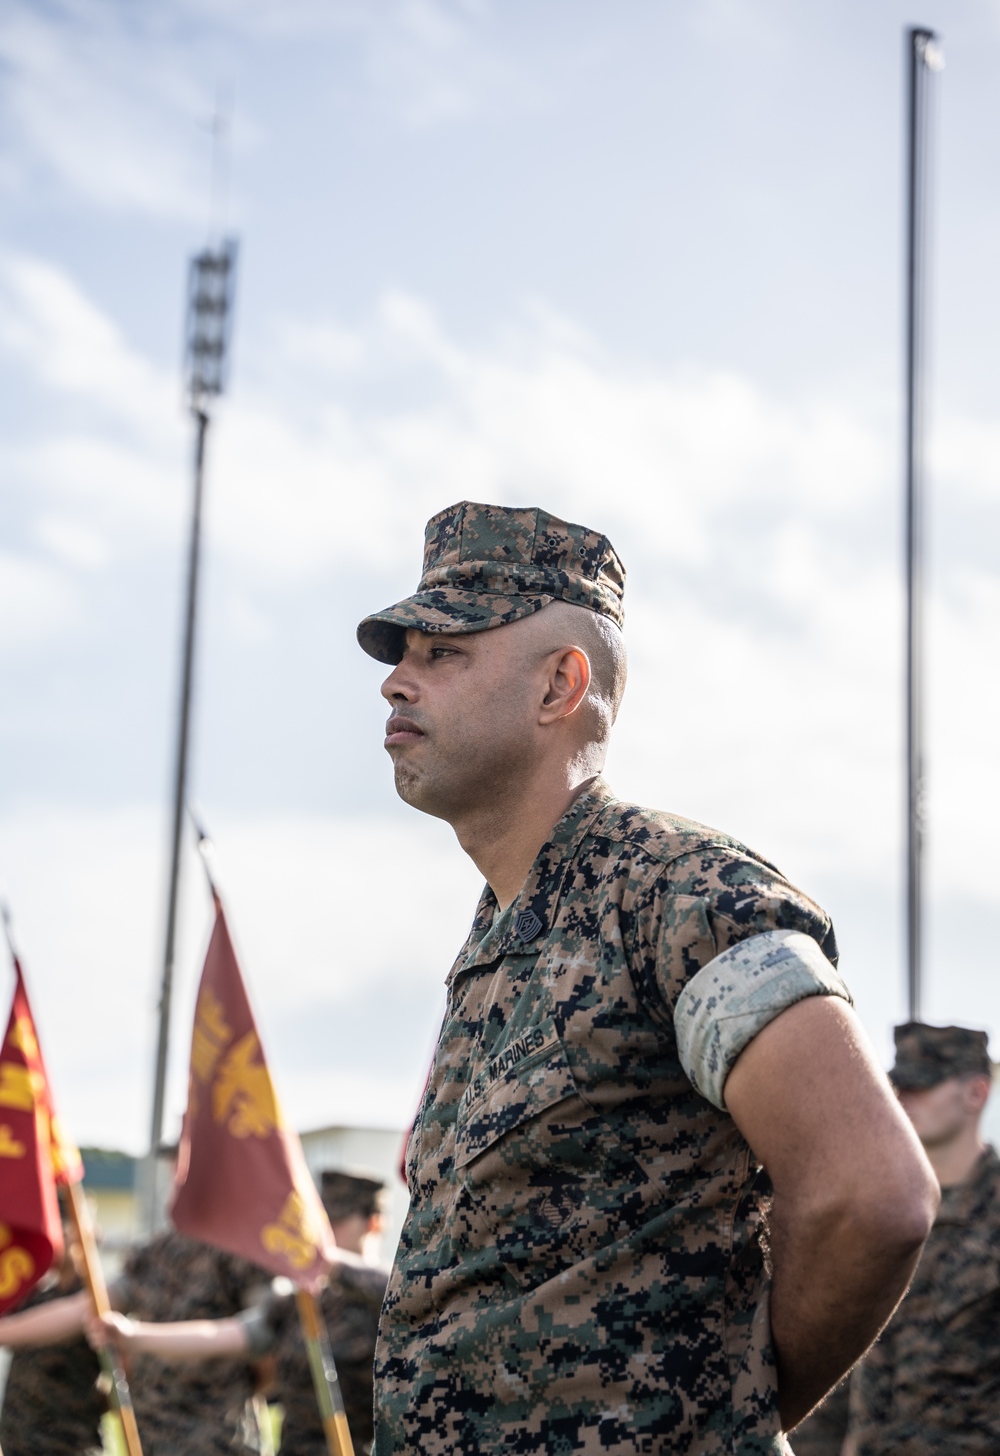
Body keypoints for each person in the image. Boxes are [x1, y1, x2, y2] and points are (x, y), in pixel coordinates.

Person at [355, 500, 938, 1456]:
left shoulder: (680, 892)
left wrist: (723, 1419)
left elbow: (869, 1194)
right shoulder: (495, 941)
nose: (395, 683)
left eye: (442, 652)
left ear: (559, 686)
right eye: (403, 654)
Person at [90, 1171, 389, 1455]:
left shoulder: (392, 1297)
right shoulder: (299, 1300)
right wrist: (134, 1335)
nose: (324, 1233)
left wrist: (324, 1261)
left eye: (336, 1222)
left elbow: (388, 1285)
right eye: (319, 1222)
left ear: (373, 1223)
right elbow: (223, 1335)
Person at [845, 1022, 1000, 1455]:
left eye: (924, 1085)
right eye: (899, 1085)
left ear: (977, 1093)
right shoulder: (873, 1208)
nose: (904, 1098)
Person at [0, 1228, 270, 1454]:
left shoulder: (241, 1251)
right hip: (151, 1439)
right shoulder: (157, 1254)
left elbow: (263, 1341)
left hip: (218, 1441)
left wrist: (135, 1336)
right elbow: (87, 1307)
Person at [0, 1247, 104, 1456]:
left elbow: (124, 1372)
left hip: (65, 1440)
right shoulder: (39, 1298)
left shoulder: (96, 1302)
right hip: (18, 1435)